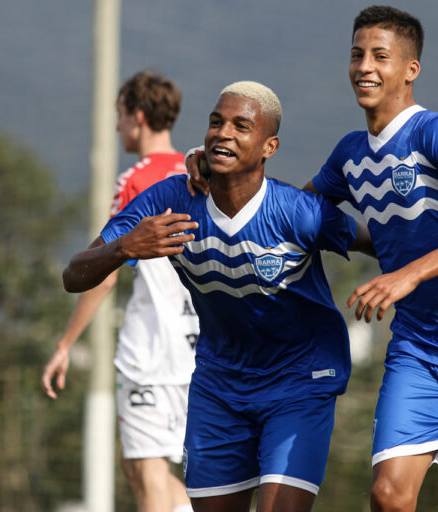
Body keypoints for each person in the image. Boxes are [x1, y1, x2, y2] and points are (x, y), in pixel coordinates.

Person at [191, 6, 438, 511]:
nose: (364, 66)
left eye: (379, 56)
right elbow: (287, 211)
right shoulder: (350, 154)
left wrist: (405, 275)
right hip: (418, 347)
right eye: (356, 54)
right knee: (388, 496)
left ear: (410, 70)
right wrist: (217, 168)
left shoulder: (436, 134)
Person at [62, 81, 373, 512]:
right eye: (215, 122)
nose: (223, 133)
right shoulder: (169, 200)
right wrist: (124, 247)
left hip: (299, 383)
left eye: (241, 126)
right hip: (220, 388)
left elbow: (379, 243)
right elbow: (73, 275)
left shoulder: (298, 211)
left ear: (269, 146)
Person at [40, 71, 197, 512]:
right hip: (203, 349)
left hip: (152, 350)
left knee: (146, 474)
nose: (117, 126)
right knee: (153, 472)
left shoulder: (136, 180)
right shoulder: (200, 170)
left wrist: (64, 344)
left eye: (120, 115)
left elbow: (105, 273)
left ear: (139, 117)